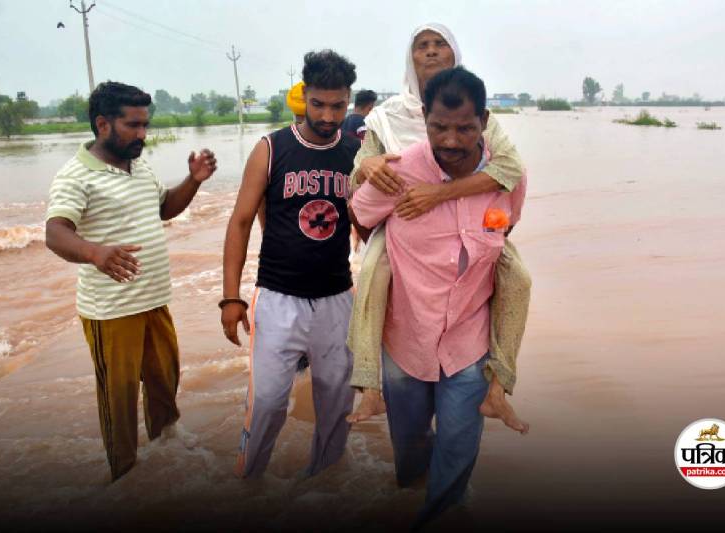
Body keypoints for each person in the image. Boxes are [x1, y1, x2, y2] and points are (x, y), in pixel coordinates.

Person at [350, 66, 526, 526]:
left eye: (464, 128)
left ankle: (437, 515)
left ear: (483, 121)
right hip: (405, 339)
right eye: (439, 127)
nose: (450, 141)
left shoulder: (507, 178)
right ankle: (411, 490)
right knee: (409, 446)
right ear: (424, 118)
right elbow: (361, 216)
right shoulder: (400, 171)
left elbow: (507, 226)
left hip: (469, 339)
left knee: (458, 446)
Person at [44, 81, 217, 481]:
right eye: (133, 125)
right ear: (103, 124)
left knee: (164, 381)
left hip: (153, 300)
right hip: (111, 311)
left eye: (145, 125)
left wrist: (193, 180)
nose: (142, 134)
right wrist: (95, 252)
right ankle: (123, 476)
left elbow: (163, 208)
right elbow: (55, 232)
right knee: (118, 399)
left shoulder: (138, 166)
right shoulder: (75, 175)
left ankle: (167, 452)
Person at [222, 50, 360, 479]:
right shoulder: (271, 148)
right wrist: (230, 298)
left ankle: (325, 482)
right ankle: (248, 482)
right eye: (318, 104)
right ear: (305, 97)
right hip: (279, 297)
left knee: (337, 401)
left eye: (338, 105)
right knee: (266, 401)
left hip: (337, 298)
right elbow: (240, 222)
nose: (328, 115)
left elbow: (370, 227)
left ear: (348, 101)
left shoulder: (355, 153)